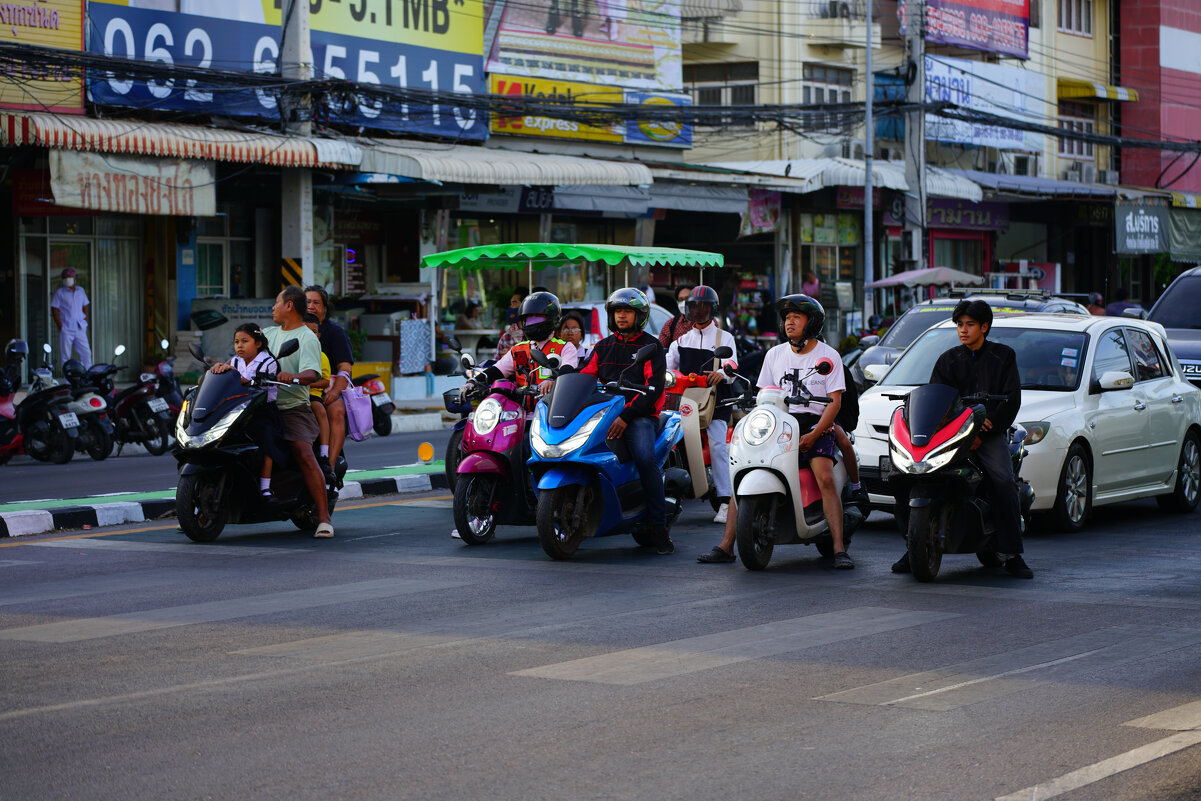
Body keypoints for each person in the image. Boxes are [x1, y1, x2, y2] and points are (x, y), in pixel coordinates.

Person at [891, 299, 1031, 579]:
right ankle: (913, 546)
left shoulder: (1004, 356)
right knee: (907, 476)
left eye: (969, 324)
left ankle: (1014, 553)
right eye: (959, 325)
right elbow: (935, 400)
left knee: (1002, 479)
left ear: (984, 327)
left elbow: (1012, 399)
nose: (963, 330)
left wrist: (985, 429)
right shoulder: (948, 359)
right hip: (952, 434)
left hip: (989, 432)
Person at [756, 294, 853, 569]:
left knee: (824, 476)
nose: (789, 322)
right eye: (787, 318)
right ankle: (727, 545)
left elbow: (834, 403)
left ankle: (838, 547)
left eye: (796, 317)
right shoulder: (774, 354)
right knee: (749, 465)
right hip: (780, 423)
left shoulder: (828, 356)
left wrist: (814, 435)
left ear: (811, 323)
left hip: (815, 422)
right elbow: (765, 394)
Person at [578, 288, 673, 554]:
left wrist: (626, 416)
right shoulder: (603, 346)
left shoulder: (652, 347)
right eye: (618, 311)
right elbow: (585, 377)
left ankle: (658, 527)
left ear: (639, 315)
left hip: (640, 417)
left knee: (644, 457)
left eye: (627, 311)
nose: (621, 316)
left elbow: (652, 391)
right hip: (606, 415)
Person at [265, 286, 334, 538]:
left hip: (292, 407)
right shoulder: (268, 334)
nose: (273, 308)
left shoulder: (306, 337)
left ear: (289, 306)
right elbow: (246, 353)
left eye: (276, 303)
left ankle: (324, 518)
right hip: (263, 405)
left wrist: (293, 376)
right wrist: (224, 364)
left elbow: (312, 373)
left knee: (304, 452)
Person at [665, 285, 737, 524]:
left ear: (713, 309)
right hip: (685, 401)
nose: (699, 310)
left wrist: (723, 374)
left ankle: (726, 501)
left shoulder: (724, 338)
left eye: (704, 306)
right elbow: (667, 365)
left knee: (718, 444)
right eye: (695, 306)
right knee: (667, 441)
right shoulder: (681, 340)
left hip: (716, 400)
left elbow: (731, 365)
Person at [210, 323, 282, 501]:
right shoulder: (235, 361)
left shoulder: (268, 362)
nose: (239, 346)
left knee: (267, 444)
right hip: (237, 410)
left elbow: (252, 384)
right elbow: (223, 378)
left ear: (258, 343)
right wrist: (215, 370)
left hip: (262, 410)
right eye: (236, 342)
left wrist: (234, 374)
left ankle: (265, 488)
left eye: (244, 341)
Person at [468, 291, 578, 398]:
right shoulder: (518, 349)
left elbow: (567, 371)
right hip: (520, 410)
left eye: (536, 318)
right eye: (528, 319)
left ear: (552, 318)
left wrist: (551, 380)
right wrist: (473, 382)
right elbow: (497, 370)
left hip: (552, 409)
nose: (531, 323)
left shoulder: (565, 347)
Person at [304, 286, 354, 487]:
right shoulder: (293, 329)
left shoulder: (335, 332)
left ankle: (329, 468)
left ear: (325, 308)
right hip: (295, 389)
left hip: (326, 388)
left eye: (316, 303)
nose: (311, 306)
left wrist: (334, 392)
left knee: (336, 410)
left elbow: (345, 368)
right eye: (307, 302)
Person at [302, 312, 335, 487]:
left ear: (318, 336)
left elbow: (325, 382)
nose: (309, 336)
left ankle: (323, 452)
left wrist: (307, 383)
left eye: (313, 332)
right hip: (292, 394)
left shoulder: (321, 357)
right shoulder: (293, 354)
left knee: (319, 409)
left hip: (312, 394)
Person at [51, 268, 91, 369]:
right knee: (66, 356)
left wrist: (84, 321)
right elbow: (54, 310)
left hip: (79, 327)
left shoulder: (80, 291)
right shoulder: (59, 293)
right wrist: (61, 327)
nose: (67, 279)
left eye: (69, 277)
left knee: (86, 353)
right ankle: (68, 380)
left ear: (74, 278)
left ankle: (88, 376)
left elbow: (85, 307)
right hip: (66, 328)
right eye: (64, 278)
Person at [496, 289, 528, 359]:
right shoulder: (507, 337)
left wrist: (514, 352)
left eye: (514, 303)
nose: (511, 307)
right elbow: (496, 361)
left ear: (525, 305)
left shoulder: (535, 334)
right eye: (511, 304)